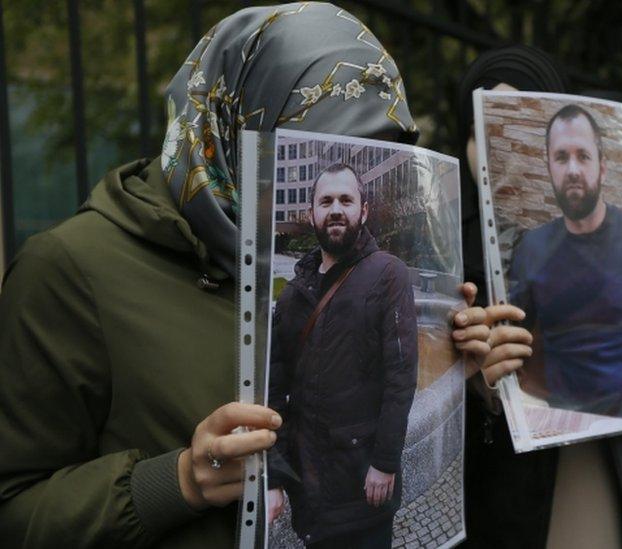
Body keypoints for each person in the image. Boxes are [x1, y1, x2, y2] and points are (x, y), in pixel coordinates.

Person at [0, 5, 513, 547]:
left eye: (373, 154)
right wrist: (174, 483)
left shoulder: (338, 273)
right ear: (235, 126)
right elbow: (14, 509)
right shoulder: (69, 270)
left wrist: (466, 382)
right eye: (314, 148)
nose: (344, 172)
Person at [455, 45, 622, 549]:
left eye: (518, 119)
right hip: (499, 502)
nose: (497, 146)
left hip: (594, 478)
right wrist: (476, 385)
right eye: (484, 129)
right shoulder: (441, 248)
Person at [265, 163, 417, 547]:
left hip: (362, 488)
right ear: (312, 214)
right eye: (326, 201)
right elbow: (275, 392)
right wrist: (276, 476)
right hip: (311, 496)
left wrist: (384, 463)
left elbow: (401, 378)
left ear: (363, 211)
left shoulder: (388, 274)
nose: (336, 209)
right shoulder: (292, 295)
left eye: (346, 200)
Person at [507, 103, 622, 418]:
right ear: (549, 166)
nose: (573, 170)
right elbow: (513, 342)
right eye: (562, 158)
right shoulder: (532, 247)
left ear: (602, 166)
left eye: (583, 156)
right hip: (563, 419)